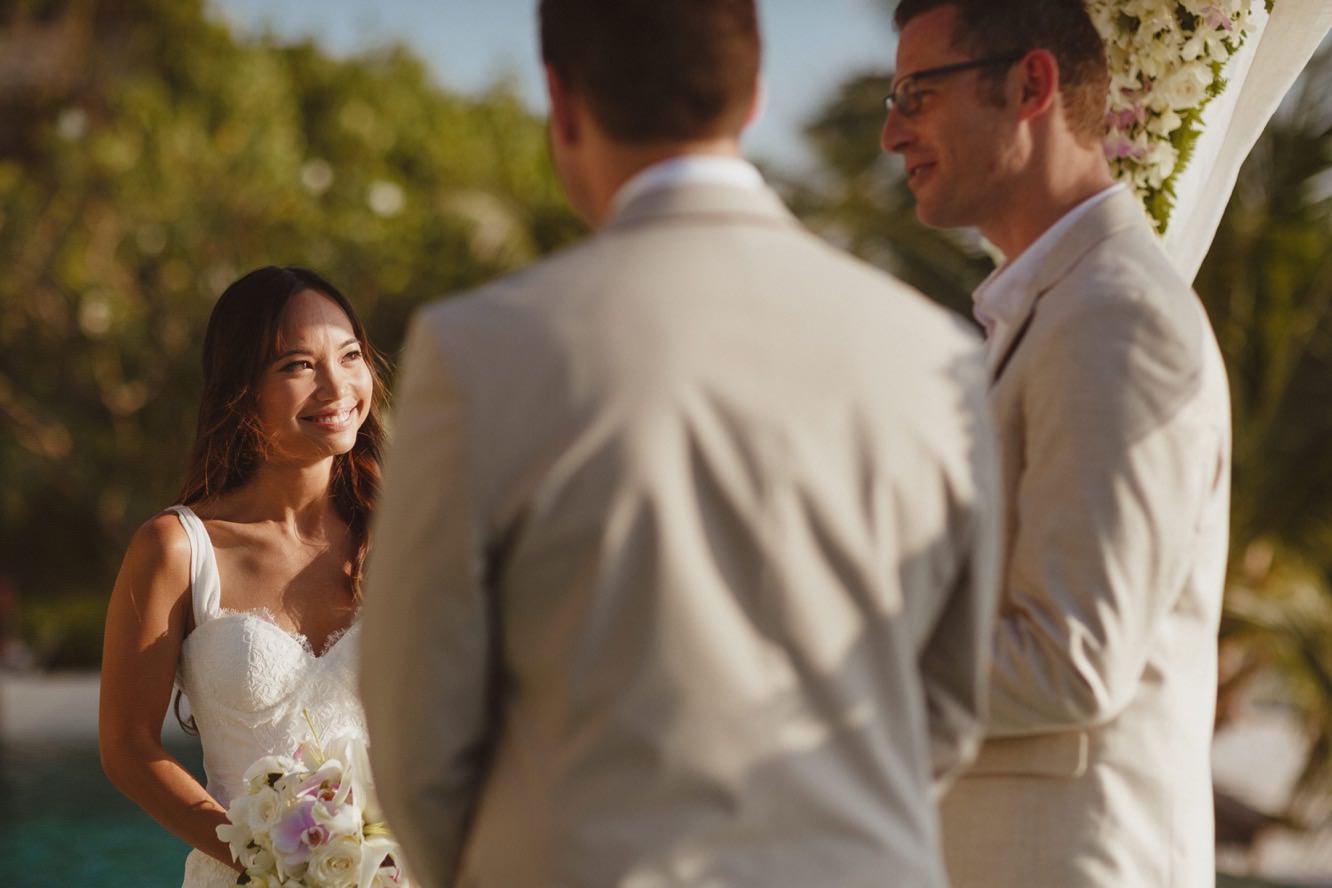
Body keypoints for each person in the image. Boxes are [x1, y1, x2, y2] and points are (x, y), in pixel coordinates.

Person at [359, 1, 1001, 885]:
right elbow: (950, 705)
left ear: (562, 101)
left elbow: (414, 731)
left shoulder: (479, 351)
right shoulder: (936, 354)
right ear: (755, 93)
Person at [880, 1, 1232, 886]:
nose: (891, 134)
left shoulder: (1116, 315)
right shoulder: (1060, 306)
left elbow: (1072, 660)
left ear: (1029, 84)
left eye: (917, 95)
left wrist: (817, 657)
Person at [98, 266, 388, 887]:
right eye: (298, 365)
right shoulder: (176, 549)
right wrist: (273, 864)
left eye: (350, 356)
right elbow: (128, 749)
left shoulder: (407, 534)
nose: (336, 386)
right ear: (241, 387)